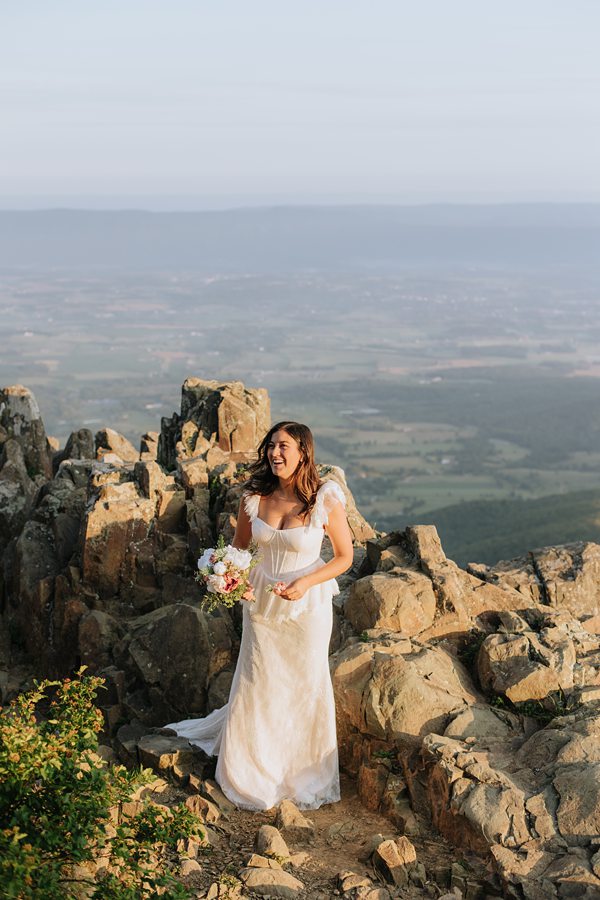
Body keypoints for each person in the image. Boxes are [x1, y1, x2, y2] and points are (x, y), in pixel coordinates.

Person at [164, 421, 354, 811]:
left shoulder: (324, 498)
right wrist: (234, 582)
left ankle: (299, 772)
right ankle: (253, 769)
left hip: (307, 605)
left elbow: (344, 557)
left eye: (283, 446)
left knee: (303, 684)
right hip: (262, 604)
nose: (274, 453)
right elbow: (239, 550)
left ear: (304, 451)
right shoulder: (254, 497)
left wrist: (305, 582)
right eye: (270, 446)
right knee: (258, 680)